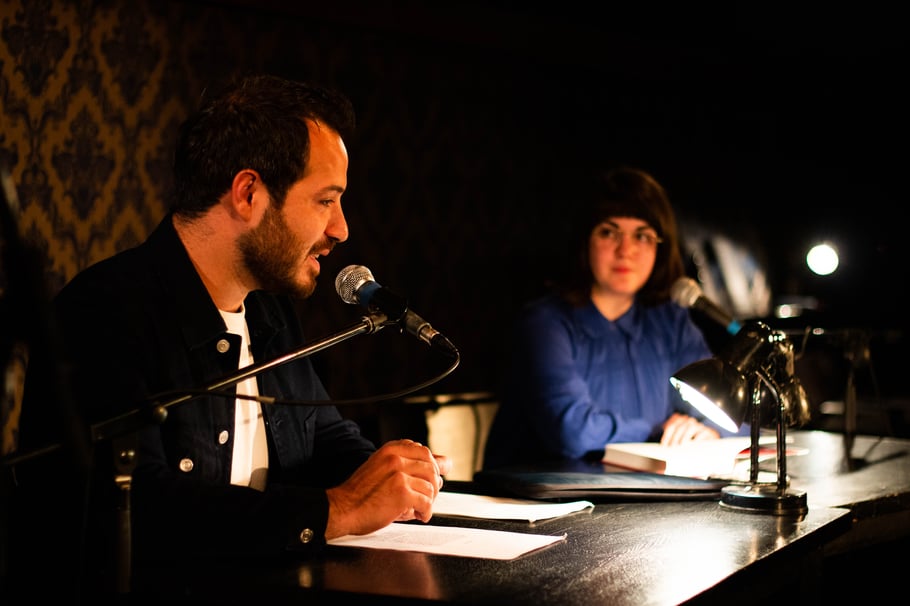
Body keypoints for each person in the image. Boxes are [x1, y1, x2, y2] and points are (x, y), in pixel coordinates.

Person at [9, 74, 452, 598]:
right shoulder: (103, 312)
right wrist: (336, 509)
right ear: (248, 194)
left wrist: (394, 474)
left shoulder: (270, 312)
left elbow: (321, 438)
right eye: (325, 201)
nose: (341, 229)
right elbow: (134, 509)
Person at [483, 165, 746, 470]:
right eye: (609, 232)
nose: (626, 250)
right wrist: (662, 431)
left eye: (642, 236)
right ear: (584, 241)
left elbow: (736, 418)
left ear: (659, 248)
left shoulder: (671, 323)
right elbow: (572, 431)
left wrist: (708, 430)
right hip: (538, 494)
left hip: (644, 492)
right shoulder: (544, 324)